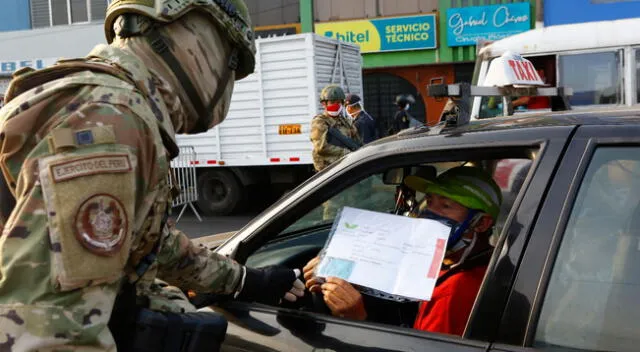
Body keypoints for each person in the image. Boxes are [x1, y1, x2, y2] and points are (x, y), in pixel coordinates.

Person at [0, 1, 304, 350]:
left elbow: (152, 244)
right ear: (189, 33)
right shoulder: (111, 119)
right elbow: (50, 333)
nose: (227, 81)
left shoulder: (113, 107)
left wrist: (246, 280)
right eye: (231, 61)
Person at [303, 166, 502, 336]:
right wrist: (332, 270)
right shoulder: (452, 259)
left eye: (446, 206)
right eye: (430, 201)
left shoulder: (454, 291)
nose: (430, 213)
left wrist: (358, 320)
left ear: (481, 223)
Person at [310, 84, 360, 172]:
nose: (337, 105)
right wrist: (347, 154)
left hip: (346, 166)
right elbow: (321, 147)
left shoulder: (345, 121)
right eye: (332, 102)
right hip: (329, 170)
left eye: (339, 102)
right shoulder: (320, 122)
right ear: (324, 104)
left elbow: (356, 140)